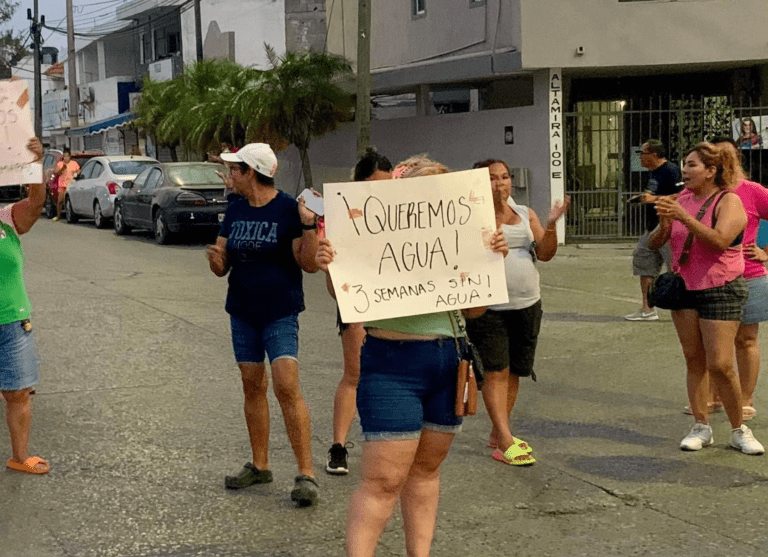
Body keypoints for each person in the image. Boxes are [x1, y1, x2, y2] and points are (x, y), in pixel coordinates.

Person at [317, 156, 508, 557]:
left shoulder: (465, 232)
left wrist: (491, 261)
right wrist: (332, 267)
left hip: (448, 361)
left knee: (425, 473)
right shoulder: (373, 233)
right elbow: (351, 301)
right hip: (391, 364)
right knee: (382, 481)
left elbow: (473, 312)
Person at [205, 143, 323, 505]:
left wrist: (308, 226)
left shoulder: (288, 208)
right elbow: (221, 264)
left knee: (286, 385)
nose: (230, 176)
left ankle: (306, 474)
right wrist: (215, 259)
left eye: (235, 170)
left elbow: (310, 264)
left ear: (250, 172)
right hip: (242, 310)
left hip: (280, 310)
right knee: (252, 385)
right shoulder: (236, 208)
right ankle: (260, 465)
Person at [650, 142, 763, 455]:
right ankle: (701, 426)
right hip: (684, 287)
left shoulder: (730, 201)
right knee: (694, 359)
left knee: (721, 364)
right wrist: (663, 224)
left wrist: (683, 218)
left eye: (693, 165)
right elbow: (654, 243)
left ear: (712, 171)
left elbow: (720, 241)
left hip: (720, 287)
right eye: (684, 164)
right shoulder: (679, 199)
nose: (685, 171)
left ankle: (739, 429)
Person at [465, 159, 569, 466]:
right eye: (492, 179)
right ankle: (505, 440)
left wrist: (550, 225)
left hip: (527, 303)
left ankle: (500, 433)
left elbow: (546, 253)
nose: (501, 183)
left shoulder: (525, 214)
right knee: (495, 371)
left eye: (504, 177)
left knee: (514, 372)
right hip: (489, 307)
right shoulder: (471, 218)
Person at [683, 136, 768, 422]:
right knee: (709, 345)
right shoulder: (695, 191)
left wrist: (766, 252)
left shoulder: (752, 191)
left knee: (745, 340)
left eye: (726, 154)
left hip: (749, 274)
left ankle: (744, 396)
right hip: (706, 279)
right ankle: (713, 396)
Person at [325, 147, 393, 476]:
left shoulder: (406, 215)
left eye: (387, 183)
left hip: (398, 301)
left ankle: (390, 448)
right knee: (355, 374)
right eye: (373, 184)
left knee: (392, 377)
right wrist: (328, 268)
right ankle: (338, 446)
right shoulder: (344, 218)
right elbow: (332, 286)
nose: (380, 191)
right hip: (360, 301)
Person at [1, 137, 50, 475]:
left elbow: (36, 202)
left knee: (18, 391)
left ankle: (20, 456)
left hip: (12, 321)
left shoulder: (6, 220)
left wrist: (34, 165)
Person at [625, 140, 682, 321]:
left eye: (643, 152)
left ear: (654, 154)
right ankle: (647, 309)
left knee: (675, 268)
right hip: (651, 226)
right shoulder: (653, 173)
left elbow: (683, 196)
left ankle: (684, 309)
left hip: (668, 226)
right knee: (644, 262)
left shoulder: (671, 170)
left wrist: (654, 199)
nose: (640, 156)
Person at [52, 147, 80, 222]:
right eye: (64, 156)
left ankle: (71, 214)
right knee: (60, 200)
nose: (66, 158)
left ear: (70, 156)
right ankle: (58, 215)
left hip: (70, 184)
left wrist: (76, 174)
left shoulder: (74, 163)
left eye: (67, 156)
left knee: (70, 200)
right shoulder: (60, 164)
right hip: (62, 184)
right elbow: (57, 173)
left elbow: (78, 171)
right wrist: (62, 168)